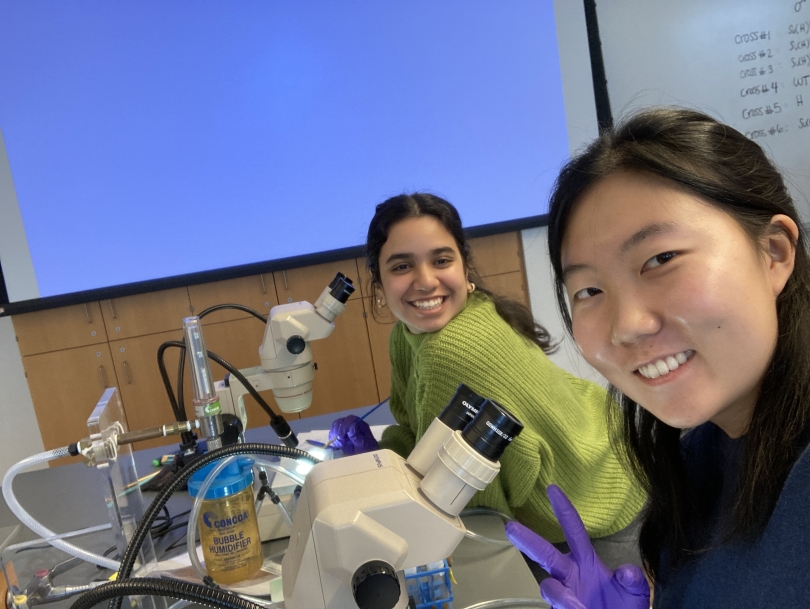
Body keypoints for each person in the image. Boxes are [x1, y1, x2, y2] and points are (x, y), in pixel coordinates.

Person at [505, 107, 810, 607]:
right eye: (589, 290)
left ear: (774, 252)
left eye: (661, 259)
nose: (627, 326)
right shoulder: (697, 456)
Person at [331, 192, 646, 569]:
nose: (425, 281)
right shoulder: (408, 334)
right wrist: (383, 454)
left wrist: (374, 469)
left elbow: (463, 500)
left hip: (597, 507)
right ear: (378, 284)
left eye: (441, 260)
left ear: (465, 266)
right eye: (402, 267)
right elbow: (421, 435)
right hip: (610, 456)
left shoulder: (447, 351)